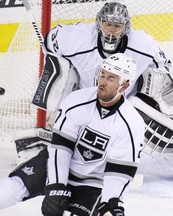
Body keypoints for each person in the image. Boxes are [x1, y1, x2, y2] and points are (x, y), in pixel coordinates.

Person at [0, 53, 145, 216]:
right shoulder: (77, 101)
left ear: (125, 85)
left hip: (92, 183)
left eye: (111, 78)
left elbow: (119, 171)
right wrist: (56, 185)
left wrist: (111, 200)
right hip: (56, 164)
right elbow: (61, 148)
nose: (102, 82)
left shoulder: (132, 123)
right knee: (6, 191)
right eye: (102, 75)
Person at [16, 0, 173, 166]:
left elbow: (166, 65)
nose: (112, 30)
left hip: (126, 103)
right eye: (108, 24)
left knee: (142, 137)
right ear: (99, 24)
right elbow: (51, 43)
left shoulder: (143, 45)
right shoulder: (77, 38)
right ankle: (56, 136)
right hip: (87, 101)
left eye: (117, 26)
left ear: (126, 28)